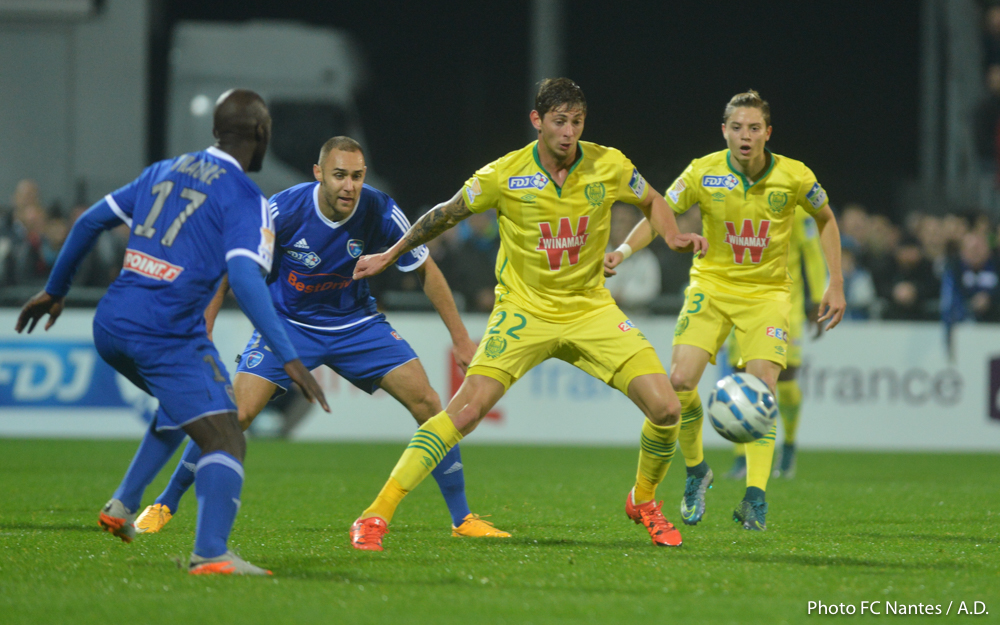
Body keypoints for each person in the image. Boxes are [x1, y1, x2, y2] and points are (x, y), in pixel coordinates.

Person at [347, 78, 707, 552]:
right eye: (559, 121)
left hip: (590, 308)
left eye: (576, 122)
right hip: (524, 311)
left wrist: (673, 235)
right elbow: (446, 213)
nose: (568, 132)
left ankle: (643, 500)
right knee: (465, 411)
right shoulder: (505, 174)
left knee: (666, 408)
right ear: (537, 120)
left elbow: (653, 199)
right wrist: (391, 253)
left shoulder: (610, 164)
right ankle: (375, 515)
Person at [15, 89, 329, 575]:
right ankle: (211, 553)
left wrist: (56, 290)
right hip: (166, 333)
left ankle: (123, 503)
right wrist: (288, 355)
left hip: (112, 323)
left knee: (184, 404)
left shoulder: (163, 169)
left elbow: (90, 222)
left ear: (216, 131)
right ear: (261, 133)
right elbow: (245, 279)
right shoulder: (244, 196)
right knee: (226, 438)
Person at [134, 136, 509, 539]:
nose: (350, 186)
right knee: (235, 415)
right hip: (287, 324)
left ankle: (462, 519)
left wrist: (461, 338)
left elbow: (426, 269)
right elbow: (231, 267)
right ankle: (164, 503)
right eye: (339, 175)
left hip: (356, 325)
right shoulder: (283, 210)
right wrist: (203, 325)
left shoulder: (381, 209)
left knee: (430, 405)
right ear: (318, 174)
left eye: (357, 176)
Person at [606, 90, 845, 531]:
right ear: (724, 131)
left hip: (767, 294)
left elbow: (826, 217)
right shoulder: (703, 171)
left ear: (768, 132)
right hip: (711, 287)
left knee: (764, 389)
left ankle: (755, 497)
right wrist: (622, 251)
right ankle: (697, 471)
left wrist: (835, 282)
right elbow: (660, 211)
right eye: (736, 128)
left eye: (754, 128)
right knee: (679, 382)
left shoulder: (794, 176)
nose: (745, 136)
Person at [720, 205, 827, 481]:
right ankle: (741, 457)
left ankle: (788, 445)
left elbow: (813, 254)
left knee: (786, 384)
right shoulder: (735, 200)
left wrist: (818, 298)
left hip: (785, 306)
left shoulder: (795, 207)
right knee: (741, 381)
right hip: (741, 304)